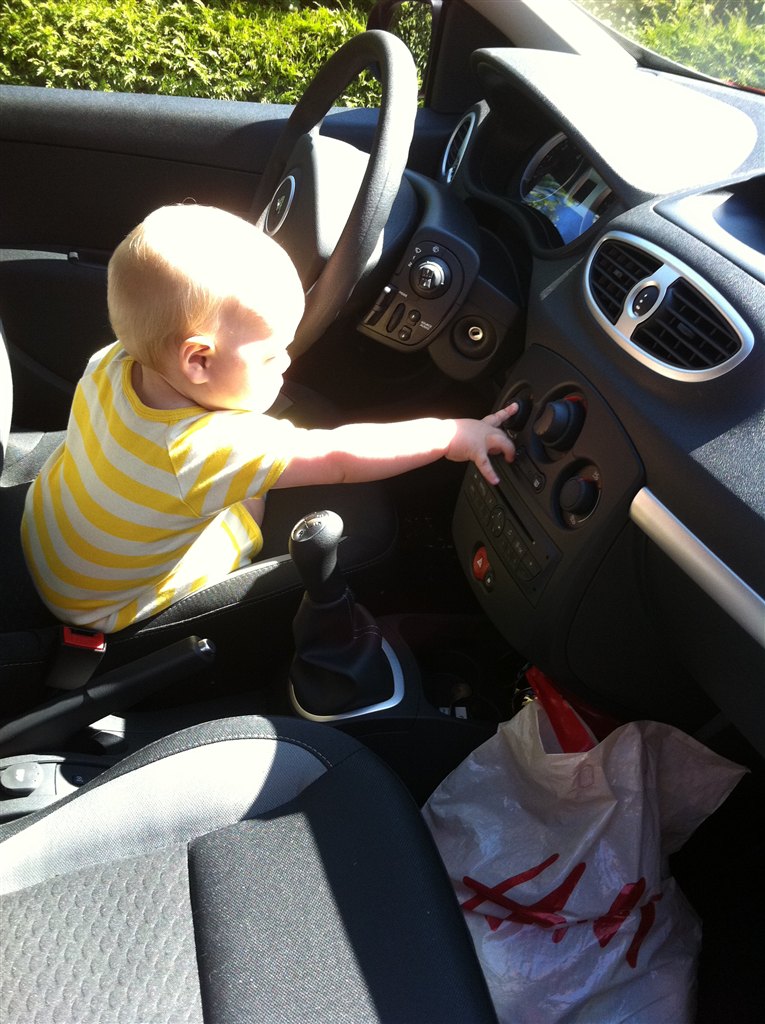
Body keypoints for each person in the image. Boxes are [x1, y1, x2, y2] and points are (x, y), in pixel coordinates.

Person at [21, 204, 517, 633]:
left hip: (43, 531)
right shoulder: (215, 449)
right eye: (268, 355)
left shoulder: (110, 361)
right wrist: (451, 434)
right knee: (247, 511)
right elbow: (341, 457)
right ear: (198, 361)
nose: (285, 362)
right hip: (94, 605)